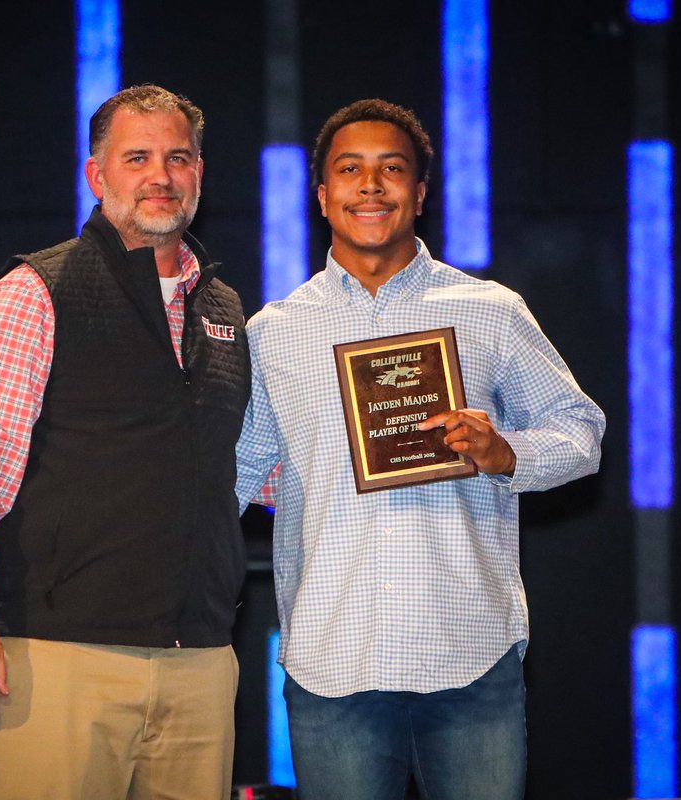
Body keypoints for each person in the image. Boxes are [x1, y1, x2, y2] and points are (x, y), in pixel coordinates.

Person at [235, 99, 605, 799]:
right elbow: (238, 469)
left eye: (391, 170)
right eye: (350, 170)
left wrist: (505, 452)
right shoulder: (272, 333)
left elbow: (581, 432)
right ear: (322, 197)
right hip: (331, 661)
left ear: (421, 193)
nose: (370, 186)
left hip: (469, 654)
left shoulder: (490, 311)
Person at [0, 84, 251, 799]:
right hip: (57, 660)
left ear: (200, 172)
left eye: (179, 157)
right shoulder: (33, 292)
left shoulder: (225, 310)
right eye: (136, 157)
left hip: (200, 664)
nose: (160, 176)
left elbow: (253, 473)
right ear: (97, 175)